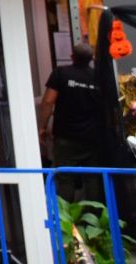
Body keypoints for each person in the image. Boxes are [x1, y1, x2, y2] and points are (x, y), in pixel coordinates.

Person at [40, 41, 104, 202]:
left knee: (65, 177)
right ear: (91, 58)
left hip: (65, 136)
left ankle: (67, 215)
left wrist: (43, 126)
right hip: (92, 137)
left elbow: (48, 101)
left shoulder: (61, 73)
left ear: (72, 56)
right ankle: (94, 215)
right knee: (93, 178)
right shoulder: (98, 78)